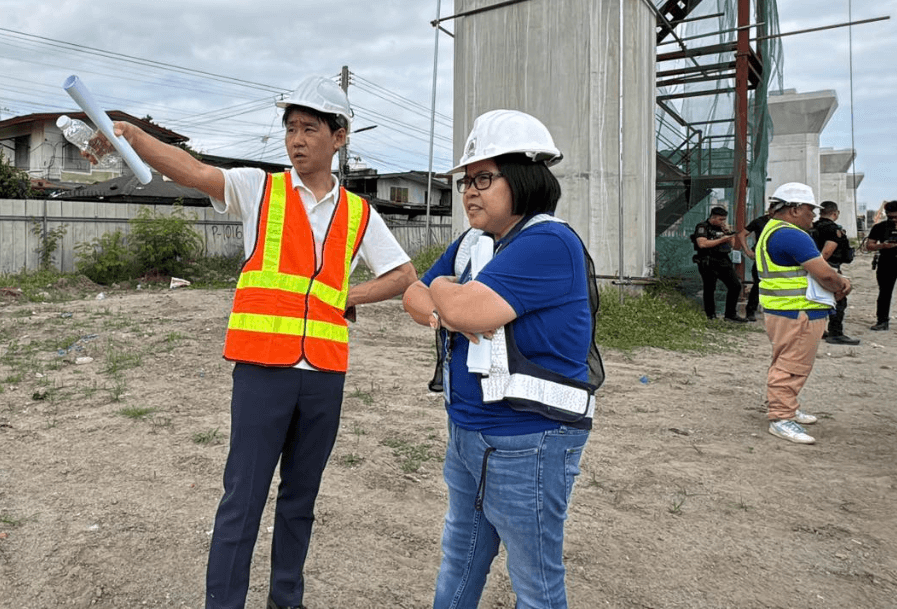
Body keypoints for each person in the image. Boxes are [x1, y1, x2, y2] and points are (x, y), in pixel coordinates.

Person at [105, 75, 417, 609]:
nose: (296, 140)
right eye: (291, 129)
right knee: (243, 500)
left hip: (324, 376)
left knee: (300, 501)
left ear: (339, 137)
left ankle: (284, 601)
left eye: (309, 129)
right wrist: (133, 136)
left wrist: (346, 296)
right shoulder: (260, 190)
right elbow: (193, 170)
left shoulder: (359, 212)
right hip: (262, 370)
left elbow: (404, 275)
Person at [402, 109, 602, 609]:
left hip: (529, 439)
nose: (470, 191)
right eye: (467, 181)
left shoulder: (547, 241)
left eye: (484, 178)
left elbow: (456, 302)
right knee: (460, 557)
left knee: (534, 581)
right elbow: (413, 296)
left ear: (525, 178)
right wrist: (451, 307)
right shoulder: (473, 243)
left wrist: (447, 294)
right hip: (467, 430)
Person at [755, 182, 851, 445]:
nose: (814, 215)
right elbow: (824, 274)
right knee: (791, 365)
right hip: (798, 312)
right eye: (810, 209)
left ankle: (786, 405)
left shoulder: (772, 230)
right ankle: (781, 417)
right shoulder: (792, 235)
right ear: (795, 209)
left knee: (786, 360)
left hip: (785, 311)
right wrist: (843, 285)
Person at [811, 201, 859, 345]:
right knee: (840, 298)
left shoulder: (813, 227)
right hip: (828, 267)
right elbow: (826, 252)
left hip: (811, 266)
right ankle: (835, 333)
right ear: (835, 213)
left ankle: (818, 330)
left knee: (818, 299)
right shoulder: (834, 230)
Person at [691, 206, 746, 322]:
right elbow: (702, 244)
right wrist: (722, 240)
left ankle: (730, 314)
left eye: (724, 219)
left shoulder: (722, 228)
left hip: (723, 259)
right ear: (713, 217)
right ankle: (711, 315)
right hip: (708, 260)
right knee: (710, 288)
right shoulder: (703, 227)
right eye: (721, 219)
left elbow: (733, 245)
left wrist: (728, 233)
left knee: (735, 285)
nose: (723, 222)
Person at [865, 200, 897, 331]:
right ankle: (882, 321)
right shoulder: (880, 227)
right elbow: (869, 245)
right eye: (891, 217)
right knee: (884, 293)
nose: (894, 220)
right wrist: (883, 245)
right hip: (887, 262)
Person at [740, 209, 771, 322]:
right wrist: (747, 251)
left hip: (776, 256)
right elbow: (742, 234)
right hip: (761, 257)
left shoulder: (782, 221)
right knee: (758, 283)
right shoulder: (759, 221)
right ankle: (750, 310)